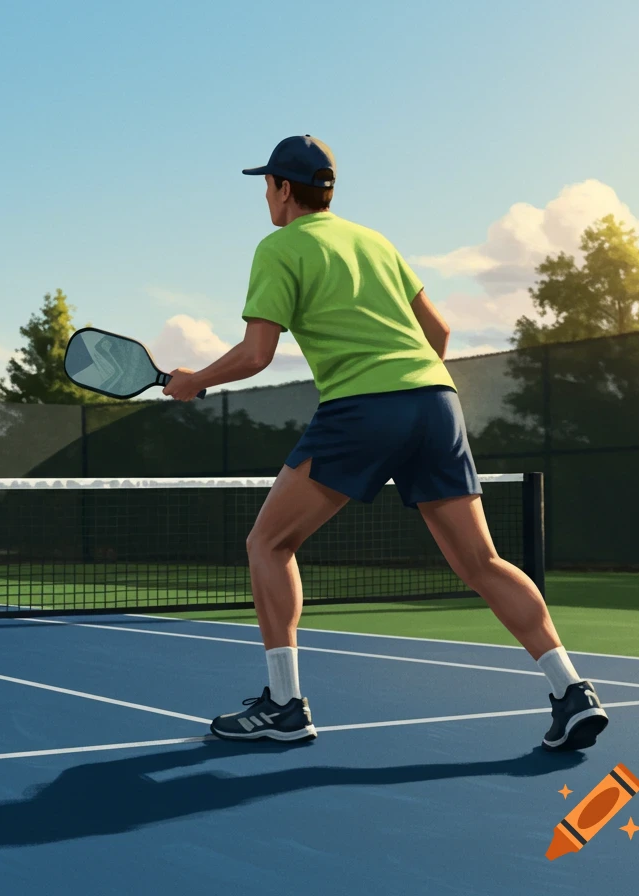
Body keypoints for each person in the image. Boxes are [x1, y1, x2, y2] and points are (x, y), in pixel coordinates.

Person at [162, 135, 607, 752]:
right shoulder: (374, 241)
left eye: (268, 183)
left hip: (362, 408)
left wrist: (195, 382)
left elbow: (258, 354)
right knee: (483, 563)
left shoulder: (279, 246)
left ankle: (285, 707)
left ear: (285, 189)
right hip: (435, 401)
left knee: (269, 541)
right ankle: (572, 689)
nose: (265, 194)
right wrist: (412, 406)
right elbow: (439, 330)